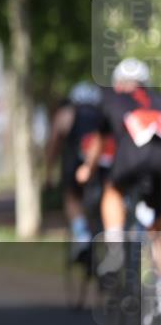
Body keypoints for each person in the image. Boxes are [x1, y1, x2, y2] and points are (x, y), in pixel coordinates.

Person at [76, 58, 161, 279]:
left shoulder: (111, 98)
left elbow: (98, 142)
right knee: (157, 230)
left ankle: (115, 248)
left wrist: (87, 168)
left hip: (131, 160)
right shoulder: (157, 100)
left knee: (112, 191)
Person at [44, 82, 109, 261]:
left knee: (72, 197)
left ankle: (81, 234)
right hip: (103, 167)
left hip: (77, 166)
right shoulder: (104, 115)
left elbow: (54, 144)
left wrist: (48, 172)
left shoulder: (66, 114)